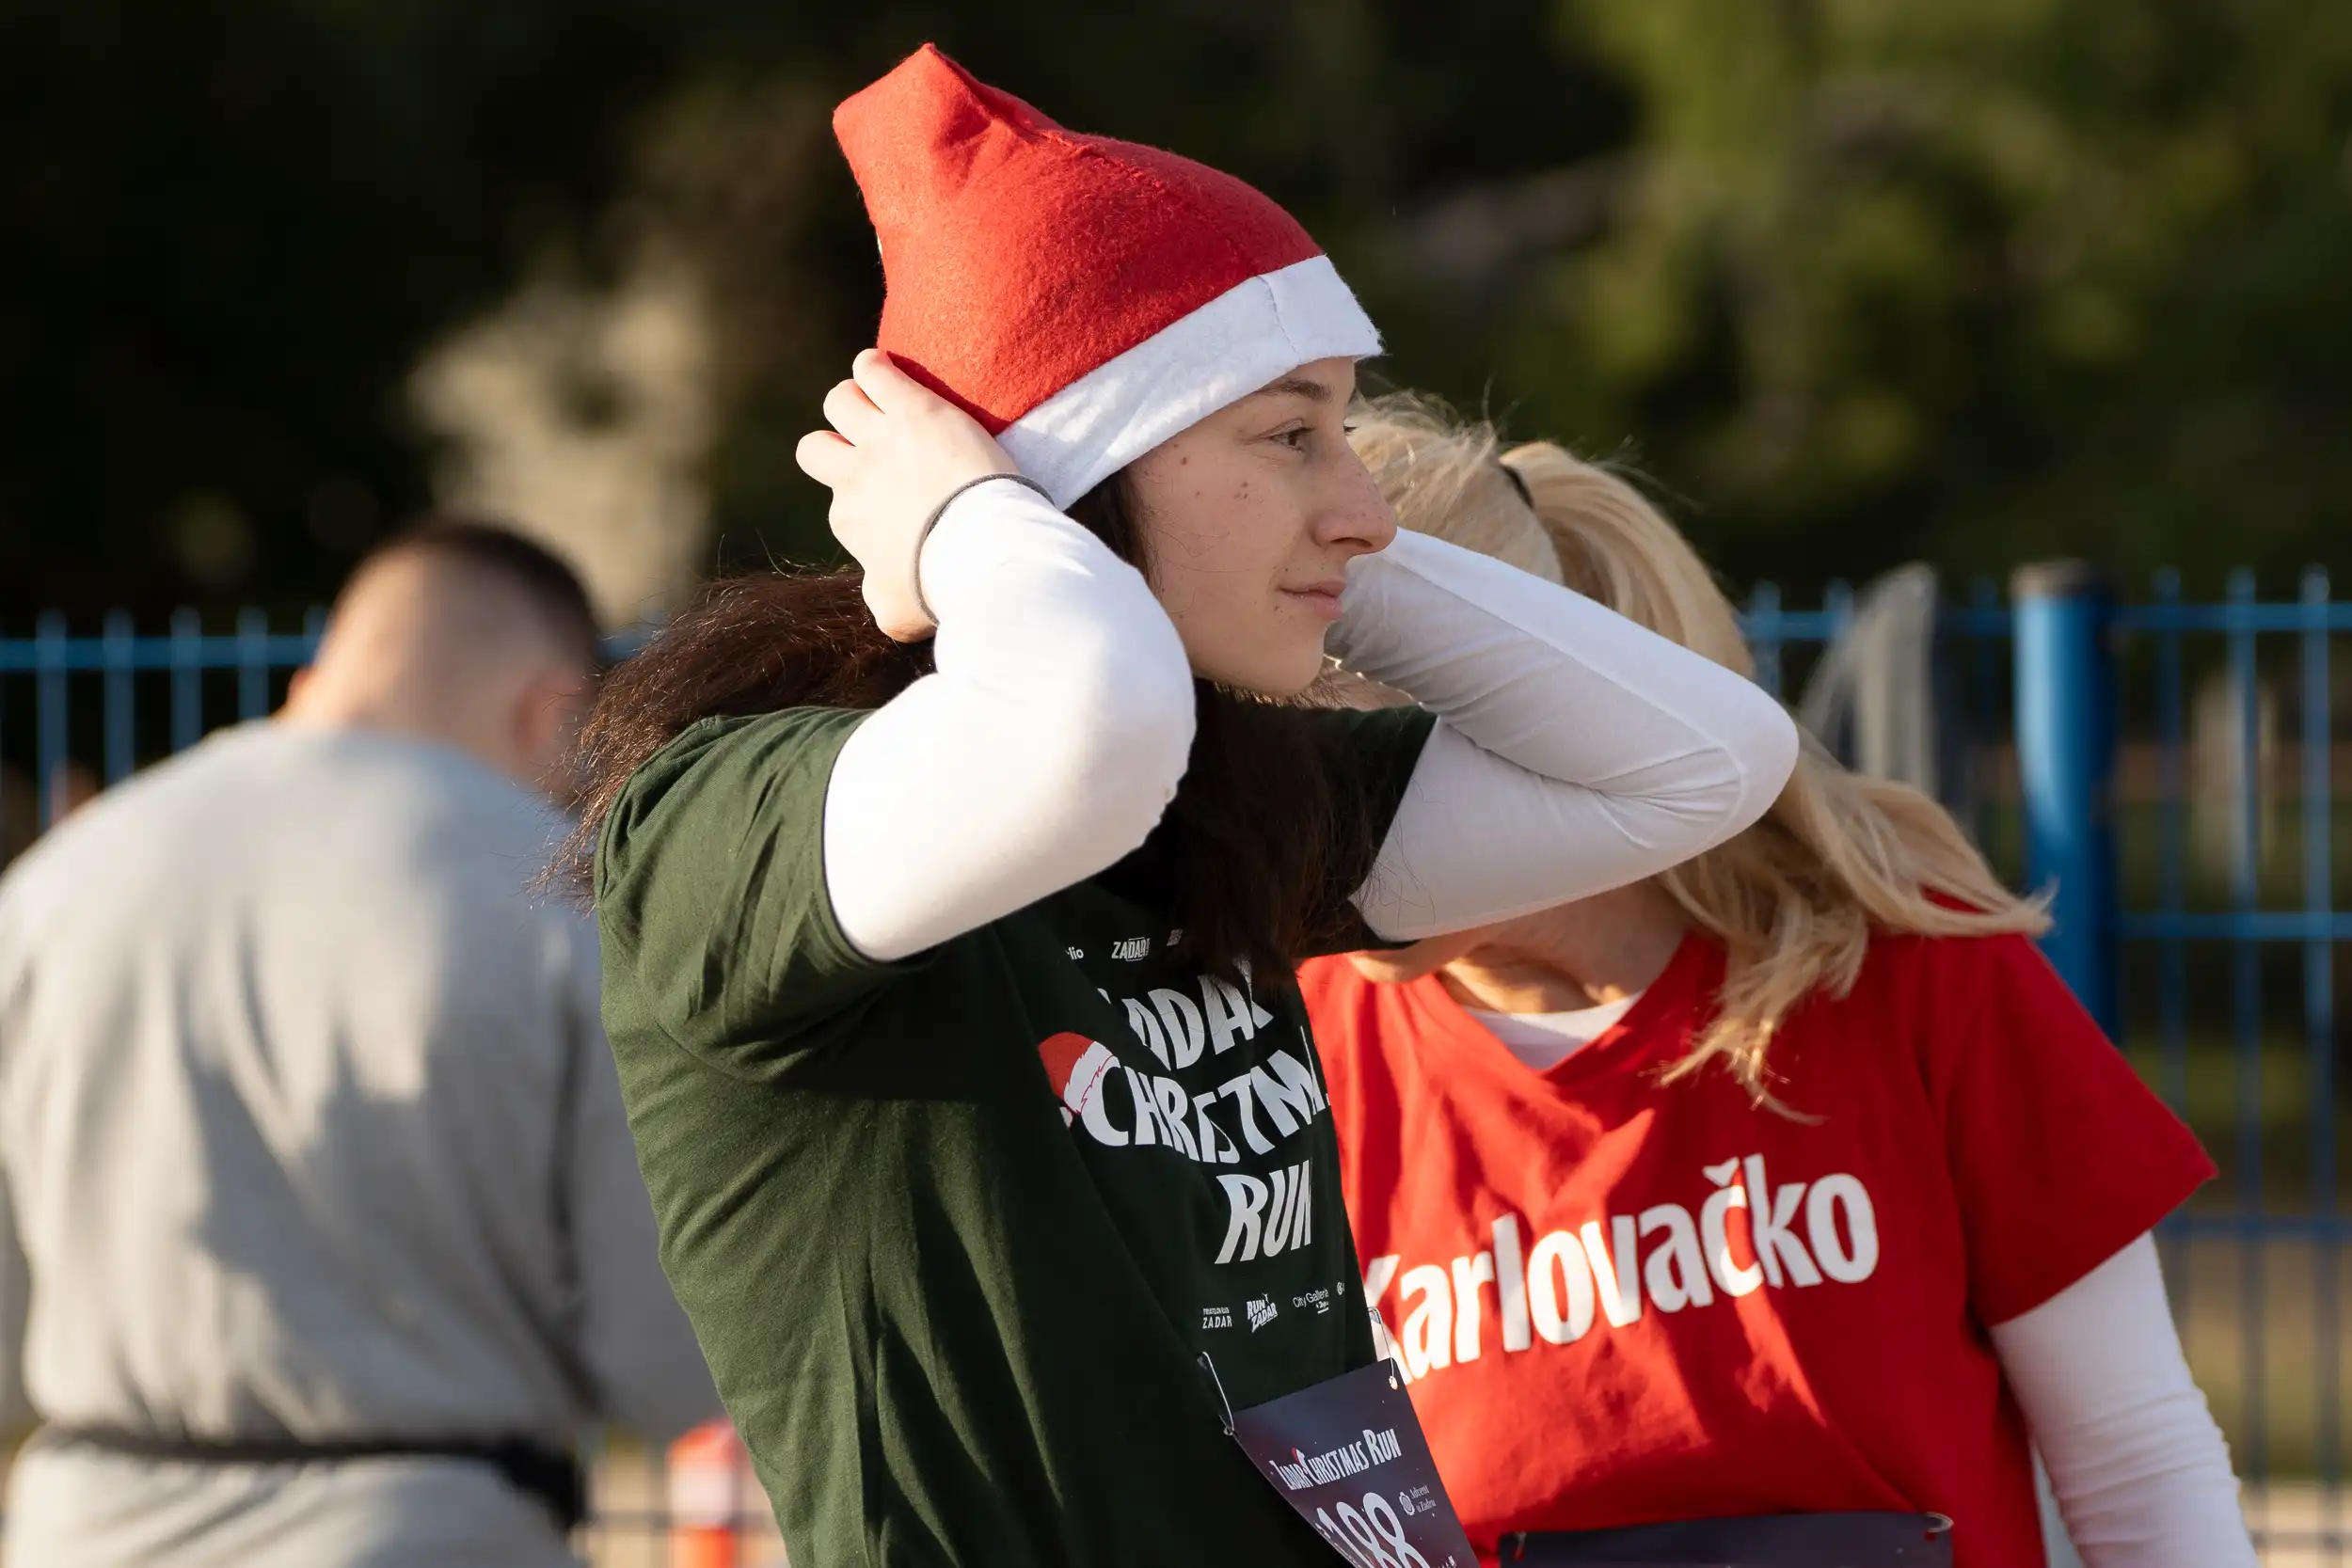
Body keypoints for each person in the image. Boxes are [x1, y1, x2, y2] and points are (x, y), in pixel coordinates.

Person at [568, 44, 1800, 1568]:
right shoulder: (736, 815)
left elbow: (1705, 759)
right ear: (1068, 483)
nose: (1362, 499)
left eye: (1343, 433)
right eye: (1291, 434)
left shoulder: (1213, 806)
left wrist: (1319, 552)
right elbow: (1092, 724)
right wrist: (980, 503)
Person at [1301, 399, 2256, 1568]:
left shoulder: (1908, 967)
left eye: (1373, 761)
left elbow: (2136, 1462)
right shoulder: (1281, 1058)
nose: (1314, 835)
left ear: (1552, 711)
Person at [0, 519, 719, 1568]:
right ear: (553, 706)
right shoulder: (556, 905)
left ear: (316, 672)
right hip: (438, 1528)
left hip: (85, 1526)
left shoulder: (50, 889)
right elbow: (659, 1356)